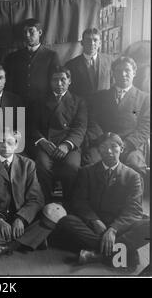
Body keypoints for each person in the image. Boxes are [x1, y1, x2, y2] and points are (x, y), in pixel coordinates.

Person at [55, 132, 150, 269]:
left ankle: (98, 255)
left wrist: (113, 229)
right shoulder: (87, 171)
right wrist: (95, 221)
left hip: (120, 227)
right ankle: (123, 251)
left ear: (121, 149)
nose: (109, 151)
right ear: (99, 150)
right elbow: (79, 202)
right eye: (104, 147)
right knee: (67, 221)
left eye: (114, 146)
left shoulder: (133, 176)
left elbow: (134, 209)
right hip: (95, 227)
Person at [0, 129, 45, 259]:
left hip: (23, 221)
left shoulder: (28, 164)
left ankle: (7, 246)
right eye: (1, 142)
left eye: (10, 142)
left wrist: (21, 218)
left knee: (53, 214)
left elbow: (36, 198)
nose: (5, 146)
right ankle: (32, 239)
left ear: (16, 144)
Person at [31, 66, 87, 203]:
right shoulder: (40, 101)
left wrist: (67, 145)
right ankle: (47, 201)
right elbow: (31, 125)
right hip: (46, 144)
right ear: (50, 82)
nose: (59, 83)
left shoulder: (79, 101)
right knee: (42, 166)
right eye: (55, 80)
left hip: (69, 144)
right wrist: (42, 141)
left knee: (71, 167)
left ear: (70, 81)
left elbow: (80, 128)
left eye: (63, 79)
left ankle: (65, 202)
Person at [87, 56, 150, 175]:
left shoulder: (145, 98)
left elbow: (145, 127)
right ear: (113, 74)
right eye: (119, 71)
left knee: (135, 166)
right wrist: (103, 142)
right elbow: (92, 121)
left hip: (130, 146)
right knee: (91, 164)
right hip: (103, 143)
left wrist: (126, 145)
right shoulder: (100, 97)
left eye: (127, 70)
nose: (123, 74)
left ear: (134, 73)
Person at [5, 18, 59, 110]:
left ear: (40, 33)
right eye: (25, 32)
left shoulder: (51, 56)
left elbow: (55, 82)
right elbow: (10, 83)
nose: (27, 35)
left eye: (31, 31)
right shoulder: (13, 57)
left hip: (42, 105)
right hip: (18, 105)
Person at [65, 28, 113, 99]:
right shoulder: (71, 65)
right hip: (82, 107)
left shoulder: (109, 61)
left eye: (95, 40)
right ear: (82, 43)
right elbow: (69, 91)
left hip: (104, 106)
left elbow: (113, 84)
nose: (92, 43)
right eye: (88, 40)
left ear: (100, 43)